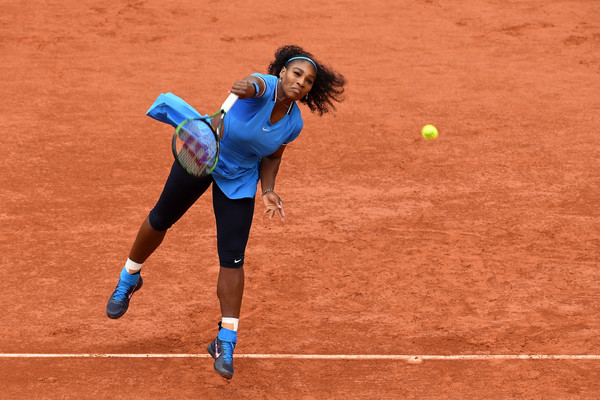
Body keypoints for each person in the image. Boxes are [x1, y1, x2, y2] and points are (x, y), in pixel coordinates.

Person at [106, 44, 345, 379]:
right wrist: (239, 92)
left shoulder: (294, 123)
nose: (301, 82)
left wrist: (269, 190)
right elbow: (250, 85)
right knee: (162, 218)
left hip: (240, 177)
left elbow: (272, 156)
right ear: (281, 73)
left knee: (233, 257)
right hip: (206, 151)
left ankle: (225, 340)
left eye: (308, 81)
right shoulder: (262, 86)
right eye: (296, 74)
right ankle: (128, 279)